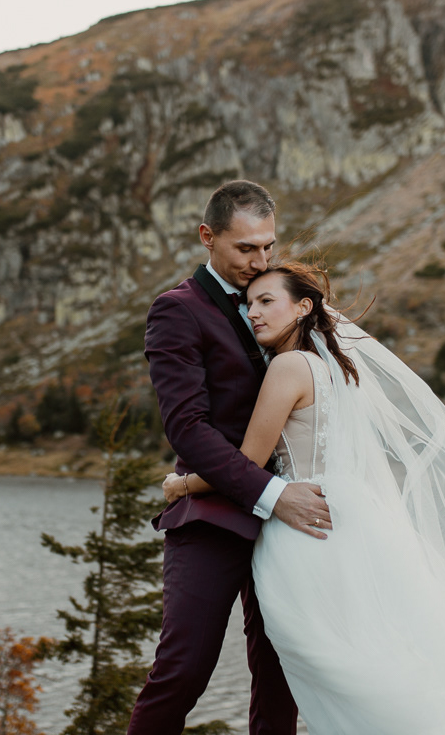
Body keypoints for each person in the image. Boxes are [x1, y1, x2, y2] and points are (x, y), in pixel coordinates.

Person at [162, 261, 445, 734]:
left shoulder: (288, 366)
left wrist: (182, 484)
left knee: (330, 666)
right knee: (367, 655)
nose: (252, 313)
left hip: (303, 530)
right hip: (351, 520)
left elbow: (249, 461)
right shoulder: (334, 369)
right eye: (249, 303)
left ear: (303, 307)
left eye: (266, 302)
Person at [128, 181, 328, 735]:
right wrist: (273, 494)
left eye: (268, 246)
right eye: (245, 249)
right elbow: (187, 430)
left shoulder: (277, 298)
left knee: (280, 680)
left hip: (290, 531)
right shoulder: (176, 311)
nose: (260, 261)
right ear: (207, 237)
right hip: (214, 518)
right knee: (183, 671)